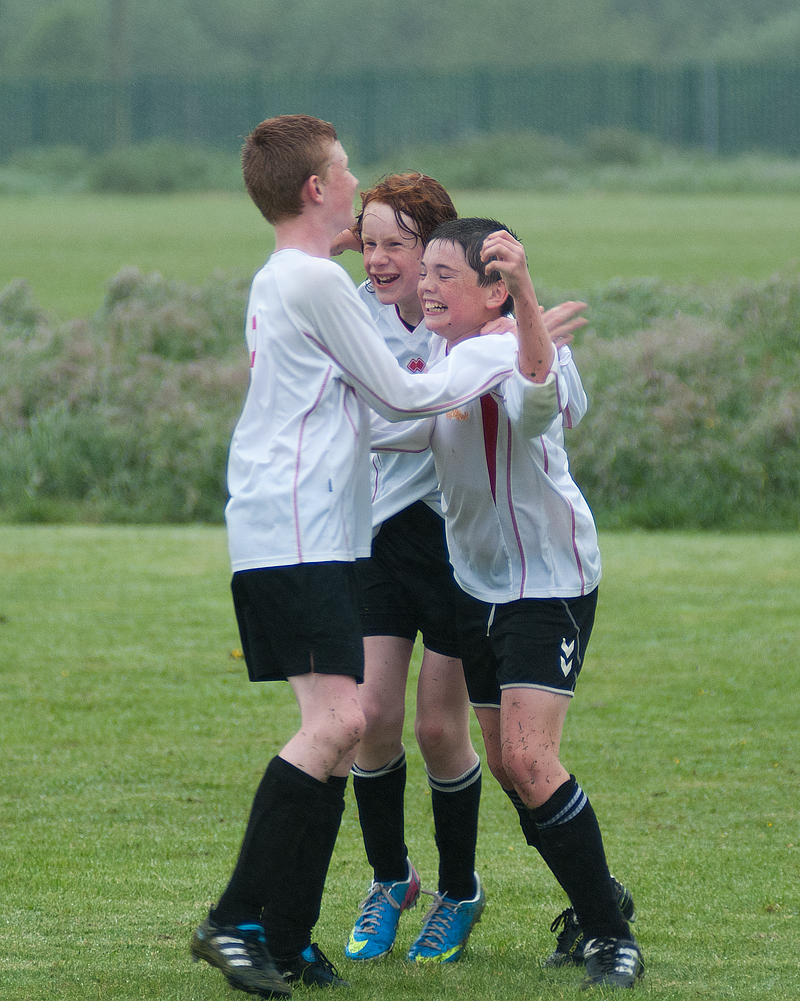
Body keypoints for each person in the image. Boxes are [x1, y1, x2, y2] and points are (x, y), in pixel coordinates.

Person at [188, 116, 551, 999]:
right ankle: (238, 920)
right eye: (344, 174)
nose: (354, 187)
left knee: (348, 724)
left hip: (297, 530)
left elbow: (385, 417)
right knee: (335, 727)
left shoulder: (292, 278)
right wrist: (505, 353)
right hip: (298, 529)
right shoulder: (313, 281)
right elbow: (399, 391)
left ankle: (282, 937)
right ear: (315, 189)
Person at [372, 217, 645, 990]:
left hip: (547, 585)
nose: (425, 284)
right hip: (478, 585)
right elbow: (395, 420)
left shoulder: (503, 350)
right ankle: (598, 896)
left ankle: (612, 935)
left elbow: (534, 405)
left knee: (528, 758)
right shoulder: (447, 357)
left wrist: (527, 306)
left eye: (443, 273)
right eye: (421, 269)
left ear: (494, 291)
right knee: (507, 763)